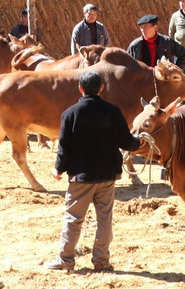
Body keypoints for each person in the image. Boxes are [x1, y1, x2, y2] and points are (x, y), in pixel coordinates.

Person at [44, 70, 143, 273]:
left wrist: (58, 169)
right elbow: (126, 142)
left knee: (73, 218)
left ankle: (66, 260)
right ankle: (101, 261)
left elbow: (64, 148)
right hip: (107, 175)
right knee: (104, 219)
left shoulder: (69, 114)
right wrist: (140, 140)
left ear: (80, 89)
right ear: (101, 88)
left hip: (80, 177)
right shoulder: (113, 111)